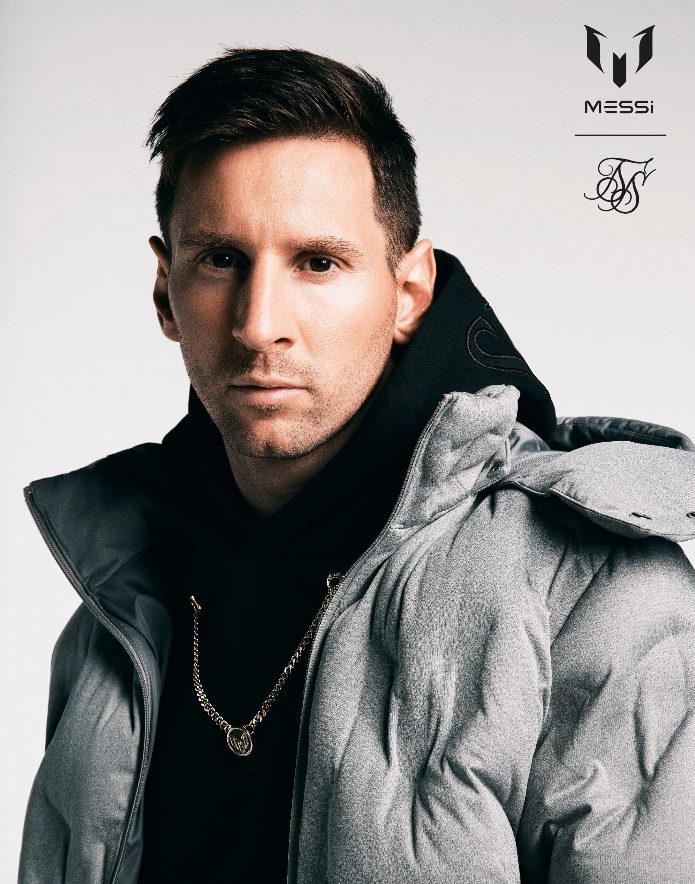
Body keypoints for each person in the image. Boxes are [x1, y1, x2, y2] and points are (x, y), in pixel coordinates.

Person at [18, 48, 695, 884]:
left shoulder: (592, 589)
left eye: (318, 262)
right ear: (166, 290)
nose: (259, 324)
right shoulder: (115, 609)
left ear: (408, 293)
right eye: (221, 259)